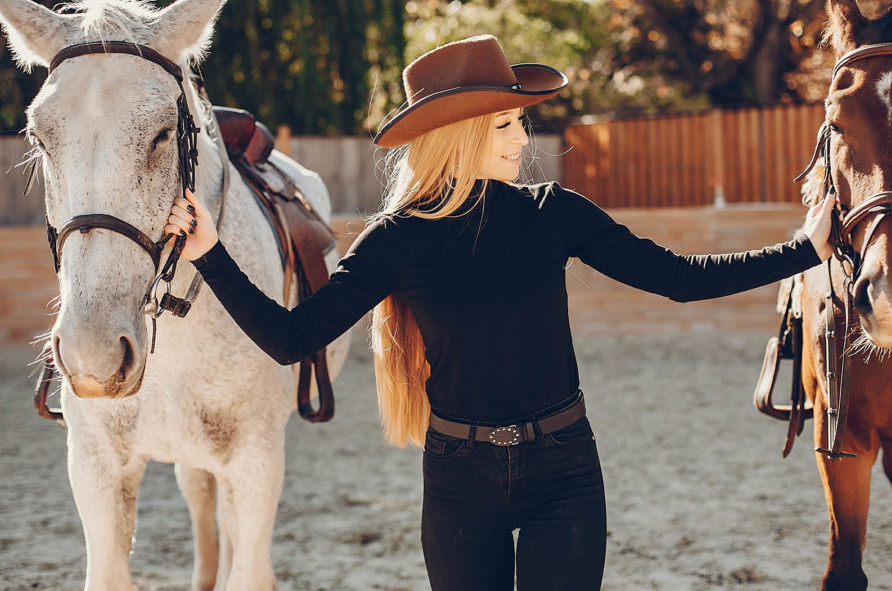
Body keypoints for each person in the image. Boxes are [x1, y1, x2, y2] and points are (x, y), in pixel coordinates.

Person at [164, 35, 835, 590]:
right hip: (459, 476)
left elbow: (679, 278)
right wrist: (209, 252)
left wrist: (804, 249)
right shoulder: (397, 240)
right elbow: (293, 336)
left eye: (521, 121)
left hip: (563, 468)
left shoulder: (554, 212)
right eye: (508, 123)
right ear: (460, 134)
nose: (524, 138)